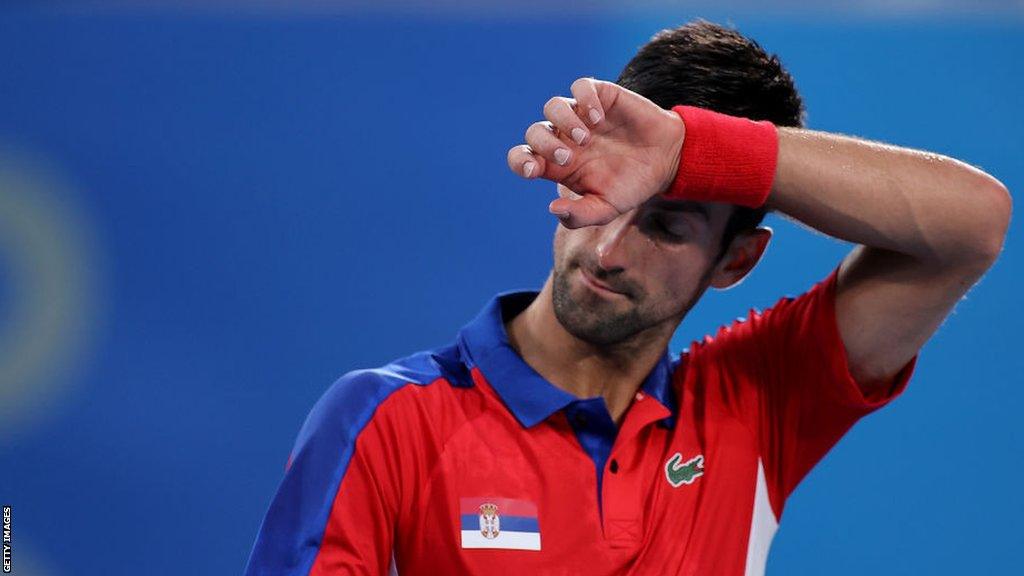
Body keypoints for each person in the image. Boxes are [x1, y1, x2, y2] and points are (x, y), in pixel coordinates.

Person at [243, 20, 1010, 576]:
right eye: (601, 198)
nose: (608, 251)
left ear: (736, 262)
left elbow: (973, 224)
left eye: (668, 227)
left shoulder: (753, 403)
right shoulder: (383, 420)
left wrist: (693, 151)